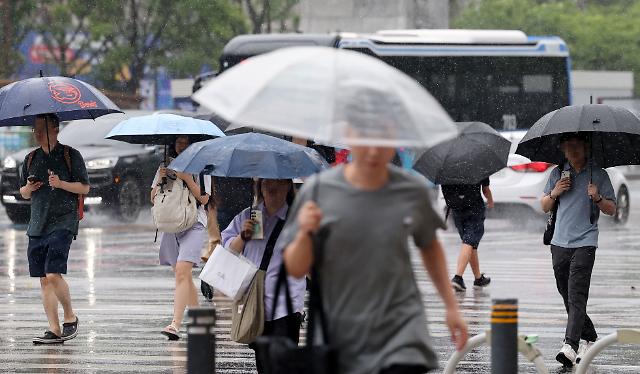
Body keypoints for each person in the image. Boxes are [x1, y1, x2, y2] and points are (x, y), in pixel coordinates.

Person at [281, 144, 468, 374]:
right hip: (340, 333)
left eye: (381, 140)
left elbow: (429, 245)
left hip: (401, 331)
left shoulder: (410, 190)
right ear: (350, 136)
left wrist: (451, 306)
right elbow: (295, 268)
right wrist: (304, 234)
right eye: (365, 139)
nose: (373, 150)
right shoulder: (319, 191)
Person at [541, 132, 616, 367]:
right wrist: (556, 192)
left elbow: (612, 209)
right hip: (559, 243)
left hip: (586, 242)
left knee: (576, 294)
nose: (572, 150)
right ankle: (589, 335)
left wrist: (598, 197)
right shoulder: (557, 173)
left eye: (576, 145)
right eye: (567, 146)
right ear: (562, 149)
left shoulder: (598, 175)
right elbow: (544, 205)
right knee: (566, 294)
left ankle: (570, 345)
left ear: (585, 146)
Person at [221, 178, 306, 374]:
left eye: (278, 182)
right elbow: (227, 252)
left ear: (288, 186)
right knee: (264, 364)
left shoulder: (298, 220)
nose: (272, 186)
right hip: (255, 305)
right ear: (259, 186)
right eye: (267, 182)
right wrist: (242, 236)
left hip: (287, 305)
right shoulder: (248, 217)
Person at [20, 114, 90, 344]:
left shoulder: (70, 155)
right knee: (43, 279)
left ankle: (70, 317)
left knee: (52, 272)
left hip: (63, 221)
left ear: (55, 130)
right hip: (37, 223)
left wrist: (61, 184)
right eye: (35, 129)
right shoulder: (31, 158)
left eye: (42, 128)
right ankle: (54, 329)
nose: (37, 133)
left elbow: (85, 187)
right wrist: (29, 188)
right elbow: (23, 193)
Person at [150, 135, 212, 340]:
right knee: (182, 275)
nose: (182, 146)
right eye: (179, 142)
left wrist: (186, 178)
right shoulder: (165, 166)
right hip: (171, 224)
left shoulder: (203, 166)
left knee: (182, 272)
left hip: (194, 223)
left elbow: (204, 198)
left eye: (186, 142)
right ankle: (199, 319)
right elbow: (152, 198)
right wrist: (161, 178)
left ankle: (175, 324)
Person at [441, 179, 493, 292]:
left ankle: (478, 278)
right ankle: (458, 278)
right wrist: (490, 201)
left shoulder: (446, 167)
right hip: (474, 209)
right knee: (469, 241)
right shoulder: (478, 164)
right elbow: (485, 189)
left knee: (469, 243)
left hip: (457, 210)